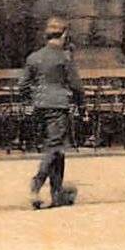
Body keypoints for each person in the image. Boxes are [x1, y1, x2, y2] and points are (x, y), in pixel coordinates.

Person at [17, 17, 84, 209]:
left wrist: (32, 100)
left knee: (57, 149)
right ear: (63, 35)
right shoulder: (64, 58)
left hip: (40, 107)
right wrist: (82, 107)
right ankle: (36, 185)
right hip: (58, 106)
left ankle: (57, 194)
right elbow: (76, 86)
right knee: (54, 147)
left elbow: (23, 85)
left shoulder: (33, 57)